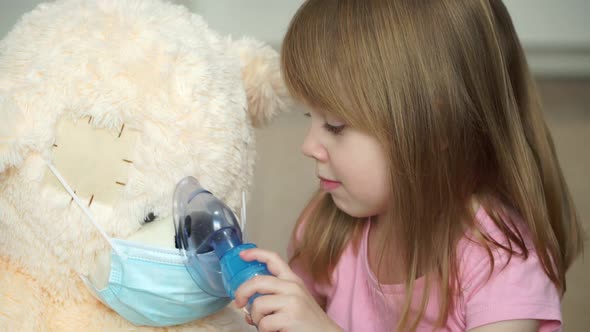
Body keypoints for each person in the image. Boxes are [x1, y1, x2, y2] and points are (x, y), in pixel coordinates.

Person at [234, 0, 584, 331]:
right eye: (311, 116)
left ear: (437, 126)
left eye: (336, 125)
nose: (308, 146)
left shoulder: (500, 262)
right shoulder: (329, 228)